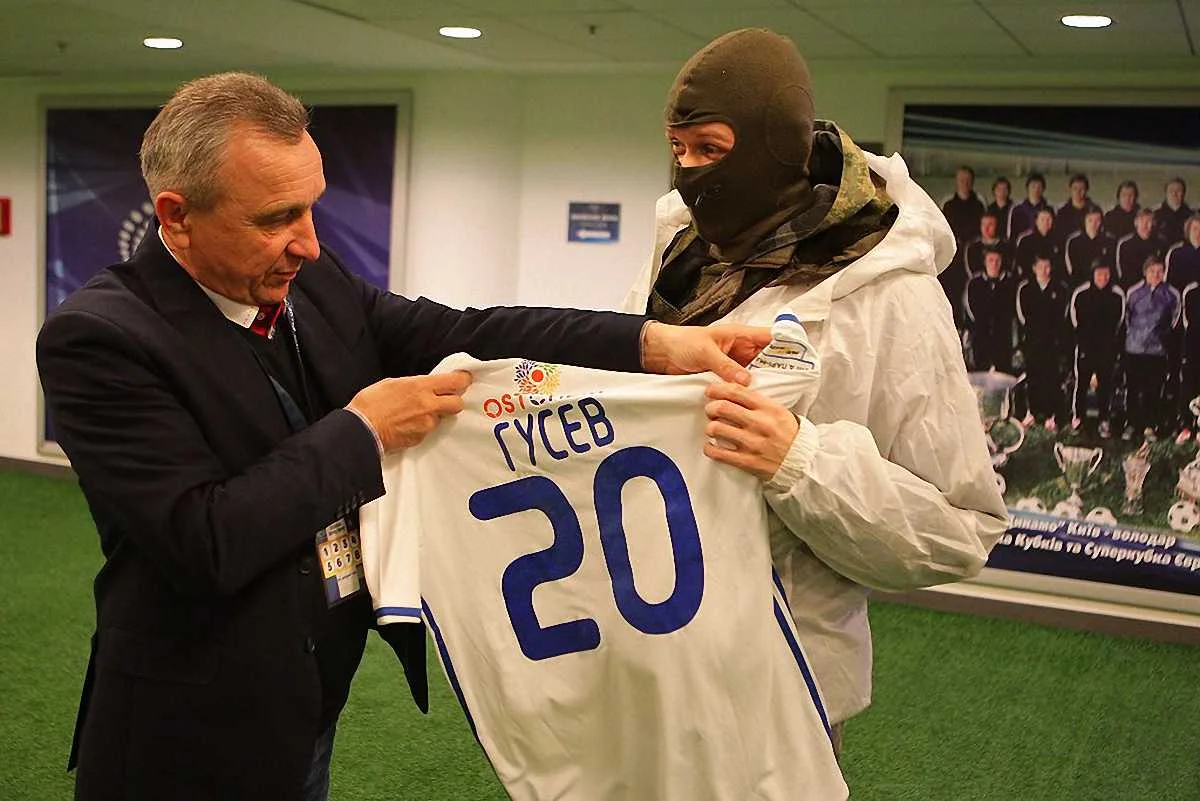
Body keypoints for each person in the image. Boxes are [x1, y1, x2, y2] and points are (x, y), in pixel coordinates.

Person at [36, 72, 771, 801]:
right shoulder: (100, 339)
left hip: (306, 700)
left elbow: (465, 332)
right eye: (276, 218)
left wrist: (651, 344)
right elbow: (203, 539)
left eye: (312, 207)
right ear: (177, 216)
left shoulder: (308, 282)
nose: (309, 244)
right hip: (185, 730)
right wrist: (365, 430)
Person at [623, 27, 1008, 761]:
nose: (689, 171)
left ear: (773, 148)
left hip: (782, 684)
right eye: (678, 148)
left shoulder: (889, 291)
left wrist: (799, 462)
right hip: (649, 648)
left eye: (710, 148)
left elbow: (961, 529)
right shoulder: (681, 253)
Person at [1121, 257, 1180, 441]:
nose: (1156, 274)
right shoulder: (1133, 292)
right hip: (1135, 348)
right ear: (1145, 272)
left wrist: (1161, 337)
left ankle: (1149, 425)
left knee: (1153, 389)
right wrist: (1136, 336)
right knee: (1133, 388)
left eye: (1160, 271)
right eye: (1152, 271)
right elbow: (1126, 317)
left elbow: (1175, 319)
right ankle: (1131, 424)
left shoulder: (1171, 294)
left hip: (1157, 350)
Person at [1068, 260, 1126, 437]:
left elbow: (1120, 322)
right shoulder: (1081, 293)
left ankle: (1104, 420)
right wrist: (1083, 345)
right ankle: (1078, 418)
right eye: (1099, 274)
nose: (1103, 278)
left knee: (1105, 385)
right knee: (1082, 383)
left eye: (1106, 274)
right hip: (1086, 347)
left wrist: (1112, 346)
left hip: (1107, 349)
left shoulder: (1117, 294)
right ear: (1093, 275)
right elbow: (1075, 322)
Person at [1016, 254, 1070, 430]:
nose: (1045, 270)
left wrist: (1055, 337)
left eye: (1047, 267)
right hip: (1032, 341)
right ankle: (1032, 412)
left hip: (1052, 342)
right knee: (1033, 377)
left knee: (1052, 378)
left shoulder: (1060, 288)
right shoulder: (1025, 288)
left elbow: (1062, 316)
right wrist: (1031, 333)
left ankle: (1051, 415)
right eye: (1041, 267)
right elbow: (1022, 316)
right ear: (1034, 268)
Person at [964, 247, 1017, 372]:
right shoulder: (975, 283)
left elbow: (1013, 312)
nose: (994, 264)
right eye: (991, 260)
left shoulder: (1010, 282)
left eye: (997, 260)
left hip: (1003, 340)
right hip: (981, 339)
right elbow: (970, 311)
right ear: (985, 262)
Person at [1063, 208, 1115, 287]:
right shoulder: (1073, 241)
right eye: (1090, 220)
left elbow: (1112, 266)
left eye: (1097, 220)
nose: (1094, 224)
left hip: (1103, 283)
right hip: (1080, 284)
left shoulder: (1109, 240)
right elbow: (1071, 268)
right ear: (1084, 221)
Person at [1115, 208, 1165, 290]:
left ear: (1153, 223)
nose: (1145, 225)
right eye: (1141, 221)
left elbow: (1162, 269)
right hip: (1131, 287)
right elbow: (1121, 271)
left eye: (1148, 221)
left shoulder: (1161, 243)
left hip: (1155, 287)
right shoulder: (1125, 244)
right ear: (1136, 222)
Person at [941, 165, 986, 247]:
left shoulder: (980, 202)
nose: (965, 183)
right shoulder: (947, 203)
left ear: (972, 181)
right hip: (953, 246)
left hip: (975, 246)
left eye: (968, 180)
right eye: (962, 180)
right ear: (956, 181)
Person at [1013, 207, 1061, 282]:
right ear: (1036, 221)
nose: (1045, 223)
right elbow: (1020, 264)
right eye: (1042, 219)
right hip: (1029, 280)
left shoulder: (1057, 240)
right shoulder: (1025, 240)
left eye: (1048, 219)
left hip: (1052, 281)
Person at [1056, 173, 1101, 244]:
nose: (1078, 192)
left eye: (1082, 189)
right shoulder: (1063, 212)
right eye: (1075, 188)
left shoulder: (1095, 210)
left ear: (1086, 190)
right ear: (1070, 189)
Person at [963, 211, 1010, 276]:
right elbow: (971, 271)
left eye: (990, 225)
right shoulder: (972, 246)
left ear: (997, 226)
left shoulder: (1006, 246)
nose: (986, 228)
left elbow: (1008, 269)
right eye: (983, 224)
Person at [1008, 172, 1050, 241]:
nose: (1036, 190)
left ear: (1043, 189)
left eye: (1039, 187)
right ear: (1027, 187)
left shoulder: (1049, 209)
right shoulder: (1017, 209)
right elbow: (1012, 235)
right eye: (1033, 186)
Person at [1165, 214, 1200, 292]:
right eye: (1195, 229)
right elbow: (1169, 283)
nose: (1198, 233)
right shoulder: (1176, 252)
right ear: (1188, 231)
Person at [1153, 177, 1192, 246]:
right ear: (1166, 193)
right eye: (1171, 190)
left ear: (1184, 193)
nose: (1174, 194)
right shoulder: (1155, 214)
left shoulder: (1191, 216)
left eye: (1178, 191)